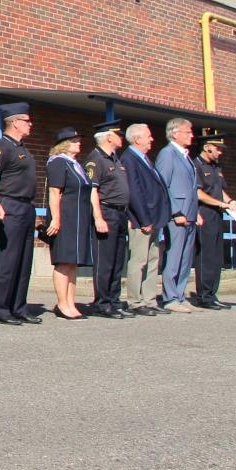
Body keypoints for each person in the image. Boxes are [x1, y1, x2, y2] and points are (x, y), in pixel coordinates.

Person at [0, 102, 40, 325]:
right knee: (8, 258)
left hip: (26, 207)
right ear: (15, 122)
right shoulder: (3, 147)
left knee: (24, 260)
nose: (30, 125)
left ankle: (18, 306)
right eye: (27, 121)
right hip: (10, 205)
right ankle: (0, 308)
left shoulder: (22, 148)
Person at [43, 127, 95, 320]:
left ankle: (71, 302)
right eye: (74, 140)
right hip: (65, 218)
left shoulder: (75, 164)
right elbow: (55, 192)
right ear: (64, 144)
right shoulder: (58, 162)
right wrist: (55, 218)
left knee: (73, 264)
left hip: (78, 219)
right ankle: (62, 303)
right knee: (63, 262)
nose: (78, 143)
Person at [121, 122, 169, 316]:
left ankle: (149, 299)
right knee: (138, 261)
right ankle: (135, 301)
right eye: (148, 136)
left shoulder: (144, 159)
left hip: (154, 219)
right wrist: (144, 219)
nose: (152, 139)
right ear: (137, 138)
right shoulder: (130, 159)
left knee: (152, 260)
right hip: (142, 220)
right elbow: (135, 192)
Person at [156, 117, 201, 314]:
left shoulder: (186, 156)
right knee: (174, 257)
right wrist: (176, 212)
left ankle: (181, 295)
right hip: (178, 215)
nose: (192, 135)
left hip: (190, 214)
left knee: (185, 259)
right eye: (188, 131)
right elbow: (162, 185)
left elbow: (192, 188)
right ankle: (170, 297)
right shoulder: (168, 154)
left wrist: (195, 212)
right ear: (175, 133)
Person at [88, 121, 133, 319]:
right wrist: (98, 217)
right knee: (105, 261)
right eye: (118, 134)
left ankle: (114, 300)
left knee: (117, 261)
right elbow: (92, 190)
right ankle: (102, 302)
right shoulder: (96, 159)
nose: (121, 138)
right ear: (108, 137)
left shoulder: (115, 159)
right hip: (107, 212)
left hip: (120, 214)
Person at [194, 129, 236, 309]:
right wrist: (222, 204)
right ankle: (204, 296)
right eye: (217, 149)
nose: (220, 152)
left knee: (216, 256)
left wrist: (230, 201)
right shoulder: (196, 165)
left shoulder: (215, 168)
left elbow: (219, 189)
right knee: (206, 256)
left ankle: (212, 293)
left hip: (217, 214)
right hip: (204, 213)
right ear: (207, 148)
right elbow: (199, 193)